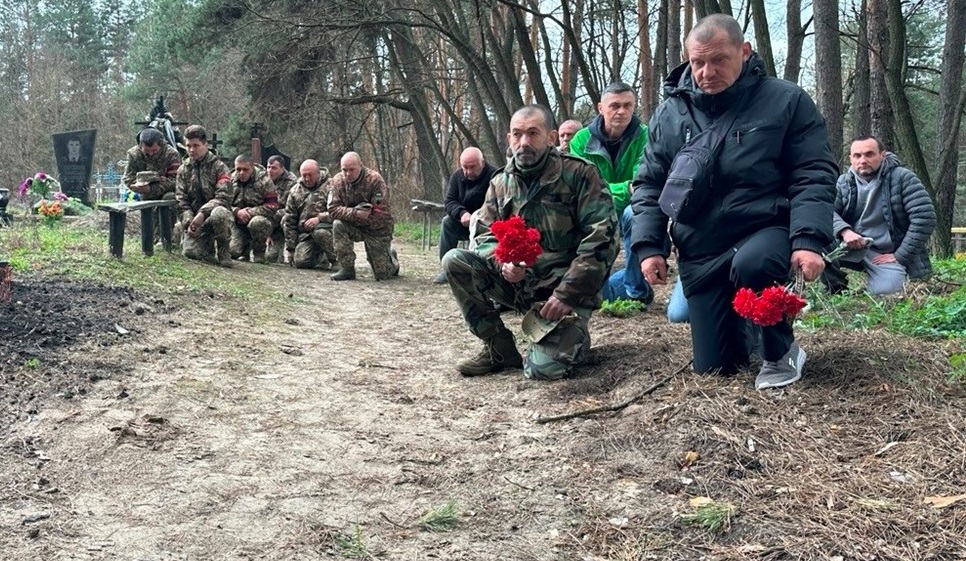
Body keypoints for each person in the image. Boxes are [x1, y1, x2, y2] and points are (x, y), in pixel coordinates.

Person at [629, 14, 837, 390]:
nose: (707, 72)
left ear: (744, 51)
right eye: (698, 62)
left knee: (754, 263)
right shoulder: (669, 113)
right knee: (715, 367)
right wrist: (649, 247)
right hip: (702, 247)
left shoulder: (786, 100)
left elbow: (813, 173)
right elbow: (649, 184)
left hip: (765, 230)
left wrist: (808, 240)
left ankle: (781, 353)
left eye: (719, 60)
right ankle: (747, 328)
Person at [442, 104, 617, 380]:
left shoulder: (580, 174)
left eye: (533, 133)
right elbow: (485, 234)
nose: (524, 142)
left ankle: (574, 337)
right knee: (455, 260)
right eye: (517, 134)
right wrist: (503, 263)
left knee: (542, 371)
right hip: (518, 285)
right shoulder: (500, 182)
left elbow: (602, 238)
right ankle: (498, 348)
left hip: (562, 290)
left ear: (551, 137)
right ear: (509, 138)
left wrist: (567, 294)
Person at [569, 82, 652, 305]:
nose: (621, 111)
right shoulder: (580, 140)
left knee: (635, 214)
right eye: (615, 105)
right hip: (595, 211)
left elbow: (642, 184)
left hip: (632, 207)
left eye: (627, 105)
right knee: (602, 300)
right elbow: (585, 189)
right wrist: (625, 188)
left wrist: (611, 190)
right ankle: (612, 286)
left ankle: (636, 289)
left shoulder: (645, 136)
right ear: (600, 108)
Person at [822, 136, 937, 295]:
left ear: (882, 155)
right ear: (851, 159)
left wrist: (900, 255)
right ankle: (836, 288)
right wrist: (845, 231)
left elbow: (924, 218)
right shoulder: (844, 182)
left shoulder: (903, 178)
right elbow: (827, 211)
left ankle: (880, 279)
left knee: (886, 291)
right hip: (851, 247)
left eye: (869, 154)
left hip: (885, 254)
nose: (863, 160)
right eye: (857, 155)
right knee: (815, 241)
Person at [327, 152, 399, 281]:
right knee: (338, 224)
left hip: (376, 228)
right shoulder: (337, 181)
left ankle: (392, 260)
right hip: (353, 225)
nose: (347, 174)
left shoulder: (375, 180)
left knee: (382, 275)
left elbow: (382, 212)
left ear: (361, 165)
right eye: (344, 170)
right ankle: (347, 268)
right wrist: (355, 213)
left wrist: (360, 216)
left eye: (351, 169)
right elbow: (332, 210)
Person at [432, 147, 499, 284]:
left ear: (482, 163)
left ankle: (486, 271)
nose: (468, 172)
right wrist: (462, 213)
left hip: (488, 225)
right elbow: (449, 201)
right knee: (447, 222)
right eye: (465, 168)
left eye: (472, 167)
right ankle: (447, 269)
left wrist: (479, 217)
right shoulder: (457, 176)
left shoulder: (495, 176)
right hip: (465, 224)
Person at [175, 125, 234, 267]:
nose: (191, 150)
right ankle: (205, 247)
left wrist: (202, 214)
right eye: (188, 146)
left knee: (219, 213)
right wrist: (189, 221)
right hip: (194, 221)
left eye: (196, 145)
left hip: (214, 217)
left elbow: (223, 198)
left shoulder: (219, 167)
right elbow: (181, 199)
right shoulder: (183, 170)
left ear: (205, 145)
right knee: (190, 253)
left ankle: (223, 250)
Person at [283, 159, 336, 269]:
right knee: (300, 262)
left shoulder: (332, 186)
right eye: (304, 175)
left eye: (310, 175)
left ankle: (337, 260)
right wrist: (291, 249)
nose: (307, 179)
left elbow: (338, 211)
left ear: (318, 173)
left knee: (320, 232)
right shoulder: (295, 191)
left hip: (329, 230)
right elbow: (290, 219)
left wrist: (319, 219)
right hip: (306, 235)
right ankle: (320, 257)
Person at [229, 154, 278, 263]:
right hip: (237, 222)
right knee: (233, 251)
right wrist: (237, 212)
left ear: (252, 168)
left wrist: (249, 212)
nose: (241, 173)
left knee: (257, 222)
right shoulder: (230, 180)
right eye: (238, 169)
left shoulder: (265, 181)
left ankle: (259, 252)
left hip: (259, 220)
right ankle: (243, 250)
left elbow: (272, 206)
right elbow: (222, 202)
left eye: (245, 169)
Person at [122, 128, 181, 201]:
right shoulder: (133, 154)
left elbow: (176, 181)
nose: (150, 153)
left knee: (170, 197)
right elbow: (128, 178)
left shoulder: (171, 154)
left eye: (154, 150)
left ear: (161, 145)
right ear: (140, 146)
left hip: (165, 191)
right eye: (146, 151)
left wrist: (152, 188)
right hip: (141, 193)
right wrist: (138, 185)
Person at [267, 155, 299, 262]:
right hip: (272, 222)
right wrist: (266, 230)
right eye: (268, 167)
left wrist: (270, 216)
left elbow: (292, 210)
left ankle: (293, 250)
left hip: (287, 221)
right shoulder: (264, 180)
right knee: (271, 258)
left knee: (286, 218)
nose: (270, 171)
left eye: (274, 168)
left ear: (282, 168)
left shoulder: (292, 182)